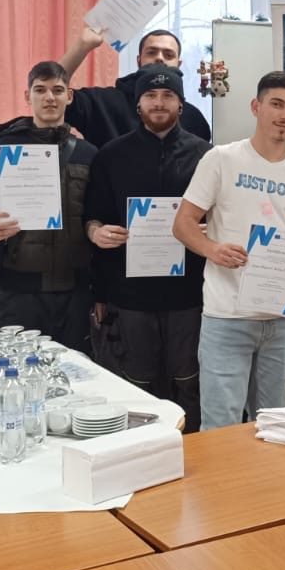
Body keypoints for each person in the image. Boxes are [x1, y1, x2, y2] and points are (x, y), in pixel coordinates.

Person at [173, 71, 285, 429]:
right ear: (256, 107)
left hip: (283, 318)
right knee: (221, 426)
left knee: (274, 424)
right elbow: (182, 224)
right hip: (227, 315)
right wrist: (212, 249)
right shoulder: (221, 159)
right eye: (276, 104)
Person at [81, 64, 212, 430]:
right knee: (136, 386)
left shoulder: (206, 156)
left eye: (168, 95)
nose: (159, 103)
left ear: (181, 104)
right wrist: (96, 232)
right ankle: (142, 452)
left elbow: (222, 218)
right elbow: (91, 217)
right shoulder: (111, 155)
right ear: (138, 104)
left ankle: (194, 453)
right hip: (130, 297)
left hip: (189, 295)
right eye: (150, 96)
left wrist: (210, 230)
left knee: (190, 382)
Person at [0, 61, 97, 351]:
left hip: (74, 295)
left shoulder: (88, 154)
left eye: (57, 90)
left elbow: (95, 218)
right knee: (17, 370)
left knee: (76, 373)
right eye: (40, 90)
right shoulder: (6, 151)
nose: (49, 97)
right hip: (18, 294)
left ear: (69, 96)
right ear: (28, 96)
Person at [59, 25, 212, 145]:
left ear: (178, 64)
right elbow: (53, 97)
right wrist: (82, 46)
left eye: (168, 55)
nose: (159, 58)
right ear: (139, 60)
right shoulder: (102, 102)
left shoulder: (194, 118)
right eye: (151, 52)